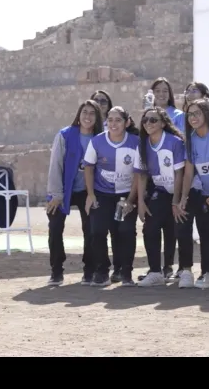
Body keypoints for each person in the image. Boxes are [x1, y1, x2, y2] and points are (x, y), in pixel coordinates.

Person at [45, 100, 104, 286]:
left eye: (92, 113)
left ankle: (89, 270)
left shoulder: (100, 138)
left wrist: (94, 194)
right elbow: (56, 165)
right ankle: (56, 270)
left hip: (89, 191)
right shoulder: (65, 135)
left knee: (91, 229)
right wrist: (56, 194)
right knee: (55, 227)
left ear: (97, 117)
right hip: (63, 189)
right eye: (84, 112)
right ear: (79, 114)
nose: (87, 116)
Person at [82, 106, 139, 287]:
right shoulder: (97, 141)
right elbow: (89, 168)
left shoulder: (136, 142)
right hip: (102, 194)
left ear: (126, 122)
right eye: (110, 120)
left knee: (125, 231)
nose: (113, 124)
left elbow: (139, 174)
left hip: (125, 196)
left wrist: (131, 200)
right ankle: (101, 271)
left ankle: (125, 271)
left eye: (118, 120)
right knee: (97, 231)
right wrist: (90, 195)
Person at [133, 107, 187, 287]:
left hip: (180, 192)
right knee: (151, 227)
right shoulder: (142, 144)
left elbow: (180, 173)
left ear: (163, 123)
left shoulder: (175, 142)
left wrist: (176, 201)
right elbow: (141, 175)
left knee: (175, 229)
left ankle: (175, 268)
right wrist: (140, 202)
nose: (148, 123)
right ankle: (155, 271)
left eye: (153, 120)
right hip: (161, 190)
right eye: (145, 120)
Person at [176, 98, 209, 289]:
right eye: (190, 114)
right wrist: (183, 197)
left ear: (207, 114)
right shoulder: (192, 140)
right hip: (203, 193)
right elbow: (189, 172)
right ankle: (206, 273)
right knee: (204, 232)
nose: (193, 117)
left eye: (197, 113)